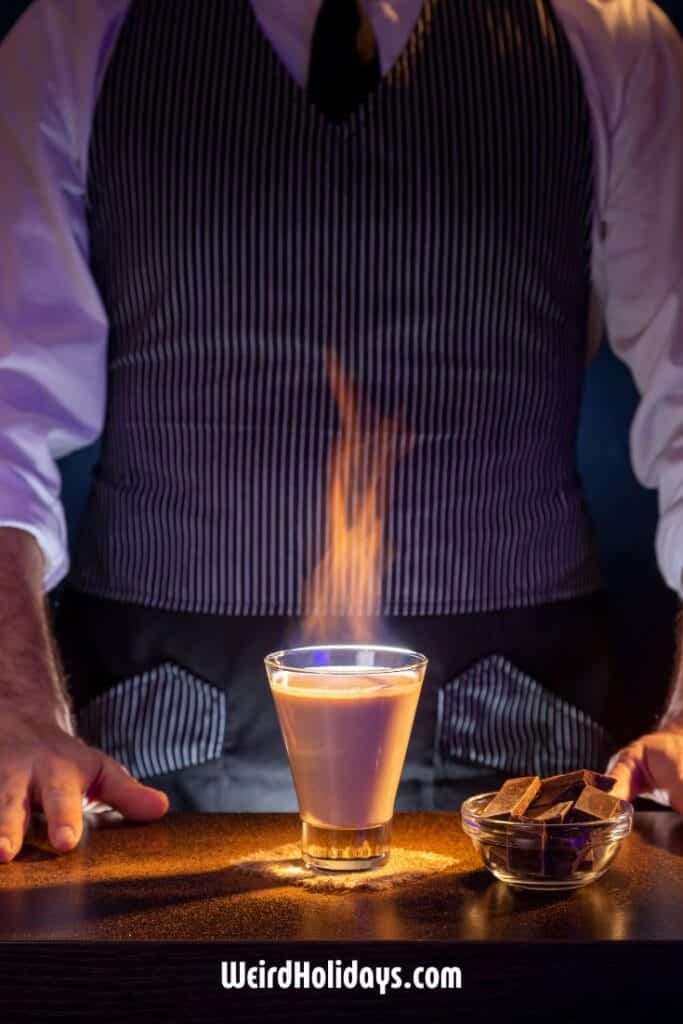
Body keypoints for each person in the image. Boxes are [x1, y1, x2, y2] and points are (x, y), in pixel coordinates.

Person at [1, 0, 682, 865]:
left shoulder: (606, 36)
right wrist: (14, 700)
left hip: (523, 755)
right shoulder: (76, 32)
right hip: (142, 760)